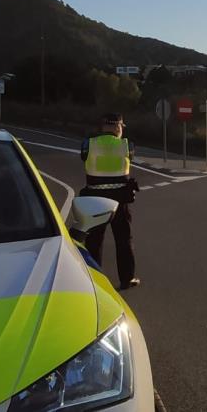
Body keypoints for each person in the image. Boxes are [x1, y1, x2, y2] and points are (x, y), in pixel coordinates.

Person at [80, 113, 140, 289]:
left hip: (95, 200)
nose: (121, 130)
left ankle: (94, 281)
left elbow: (85, 160)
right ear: (117, 127)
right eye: (121, 126)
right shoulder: (126, 146)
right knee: (123, 240)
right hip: (120, 201)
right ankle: (126, 279)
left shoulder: (88, 145)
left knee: (94, 242)